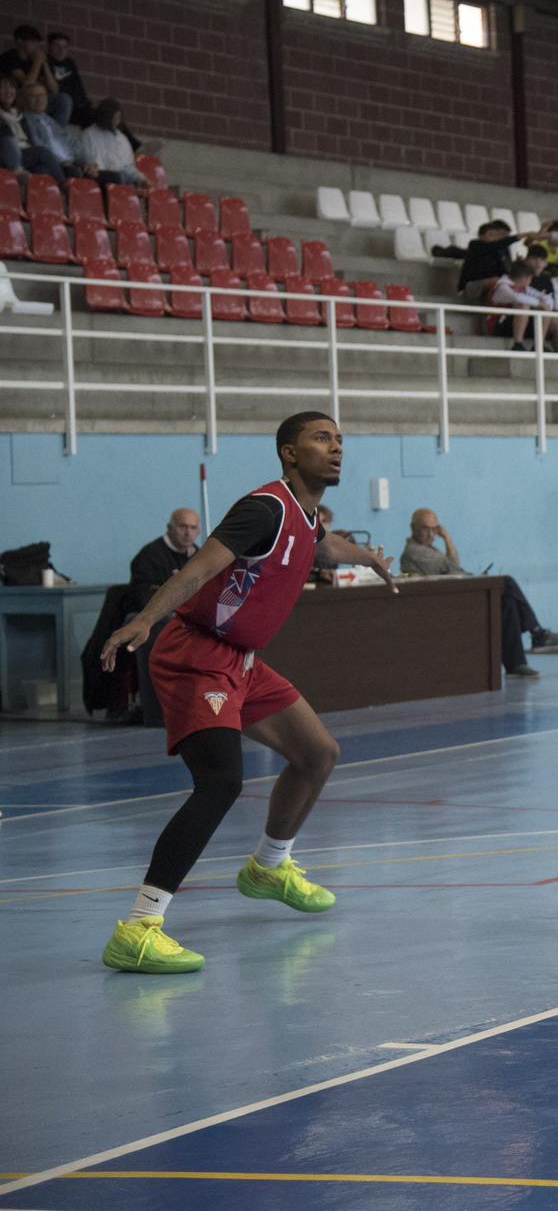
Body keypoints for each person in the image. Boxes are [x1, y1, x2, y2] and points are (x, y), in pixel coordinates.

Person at [96, 413, 398, 974]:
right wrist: (144, 620)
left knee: (317, 753)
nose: (336, 449)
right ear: (288, 452)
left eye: (340, 441)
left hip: (242, 661)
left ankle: (268, 866)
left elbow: (323, 545)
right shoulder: (264, 509)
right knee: (220, 783)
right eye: (322, 439)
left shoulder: (304, 517)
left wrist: (369, 556)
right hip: (196, 654)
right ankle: (139, 928)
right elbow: (197, 570)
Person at [399, 509, 558, 678]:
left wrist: (446, 538)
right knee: (507, 582)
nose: (430, 534)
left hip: (453, 593)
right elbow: (454, 566)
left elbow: (452, 566)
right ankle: (538, 633)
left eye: (435, 529)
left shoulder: (431, 549)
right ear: (413, 527)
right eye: (425, 529)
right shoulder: (414, 552)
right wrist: (447, 538)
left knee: (507, 601)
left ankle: (517, 664)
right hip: (443, 603)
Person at [124, 508, 202, 728]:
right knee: (156, 629)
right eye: (182, 526)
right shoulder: (149, 556)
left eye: (193, 528)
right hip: (151, 619)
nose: (187, 533)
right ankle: (157, 714)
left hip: (190, 619)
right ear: (170, 528)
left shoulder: (199, 557)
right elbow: (144, 598)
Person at [0, 25, 70, 124]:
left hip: (34, 102)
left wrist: (44, 64)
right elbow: (27, 86)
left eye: (37, 43)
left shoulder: (35, 59)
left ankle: (57, 135)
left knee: (63, 99)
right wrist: (37, 62)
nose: (36, 47)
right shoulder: (10, 57)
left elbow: (55, 90)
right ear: (20, 42)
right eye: (32, 42)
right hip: (15, 101)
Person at [0, 75, 62, 178]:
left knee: (42, 170)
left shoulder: (21, 115)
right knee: (43, 152)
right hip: (5, 155)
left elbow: (31, 139)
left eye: (11, 87)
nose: (8, 91)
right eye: (3, 88)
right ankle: (64, 186)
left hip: (25, 153)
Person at [75, 99, 144, 186]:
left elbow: (128, 167)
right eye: (112, 118)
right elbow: (85, 162)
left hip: (119, 179)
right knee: (118, 178)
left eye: (118, 118)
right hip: (97, 179)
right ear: (104, 117)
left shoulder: (122, 139)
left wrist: (140, 178)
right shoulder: (88, 135)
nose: (115, 122)